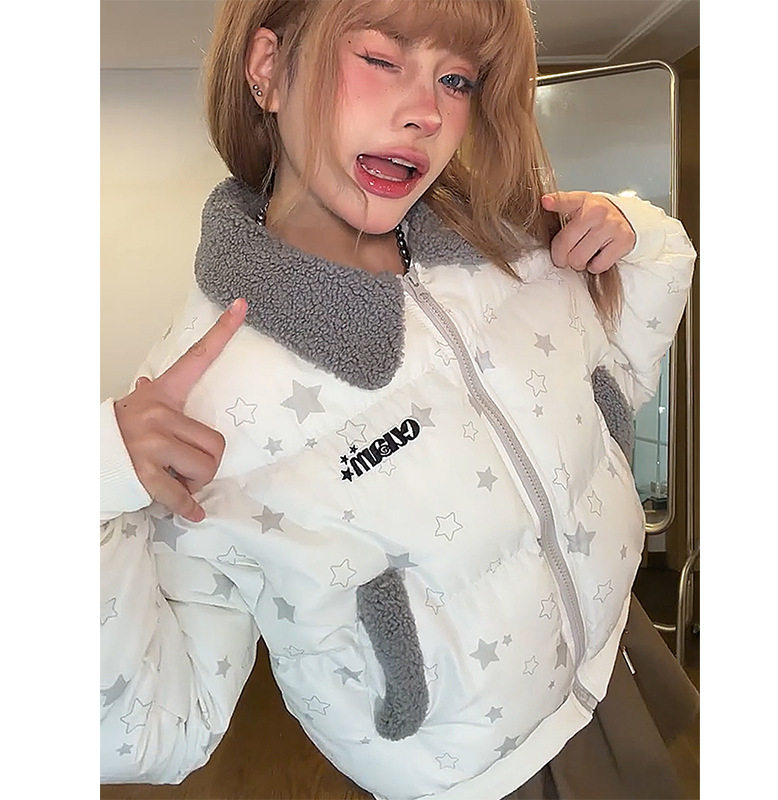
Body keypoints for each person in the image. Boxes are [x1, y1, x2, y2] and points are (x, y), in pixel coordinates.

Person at [100, 1, 698, 798]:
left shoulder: (511, 247)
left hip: (622, 653)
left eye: (457, 80)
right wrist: (89, 483)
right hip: (470, 770)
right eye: (381, 60)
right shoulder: (203, 395)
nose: (427, 114)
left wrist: (633, 232)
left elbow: (623, 365)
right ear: (268, 68)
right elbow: (150, 729)